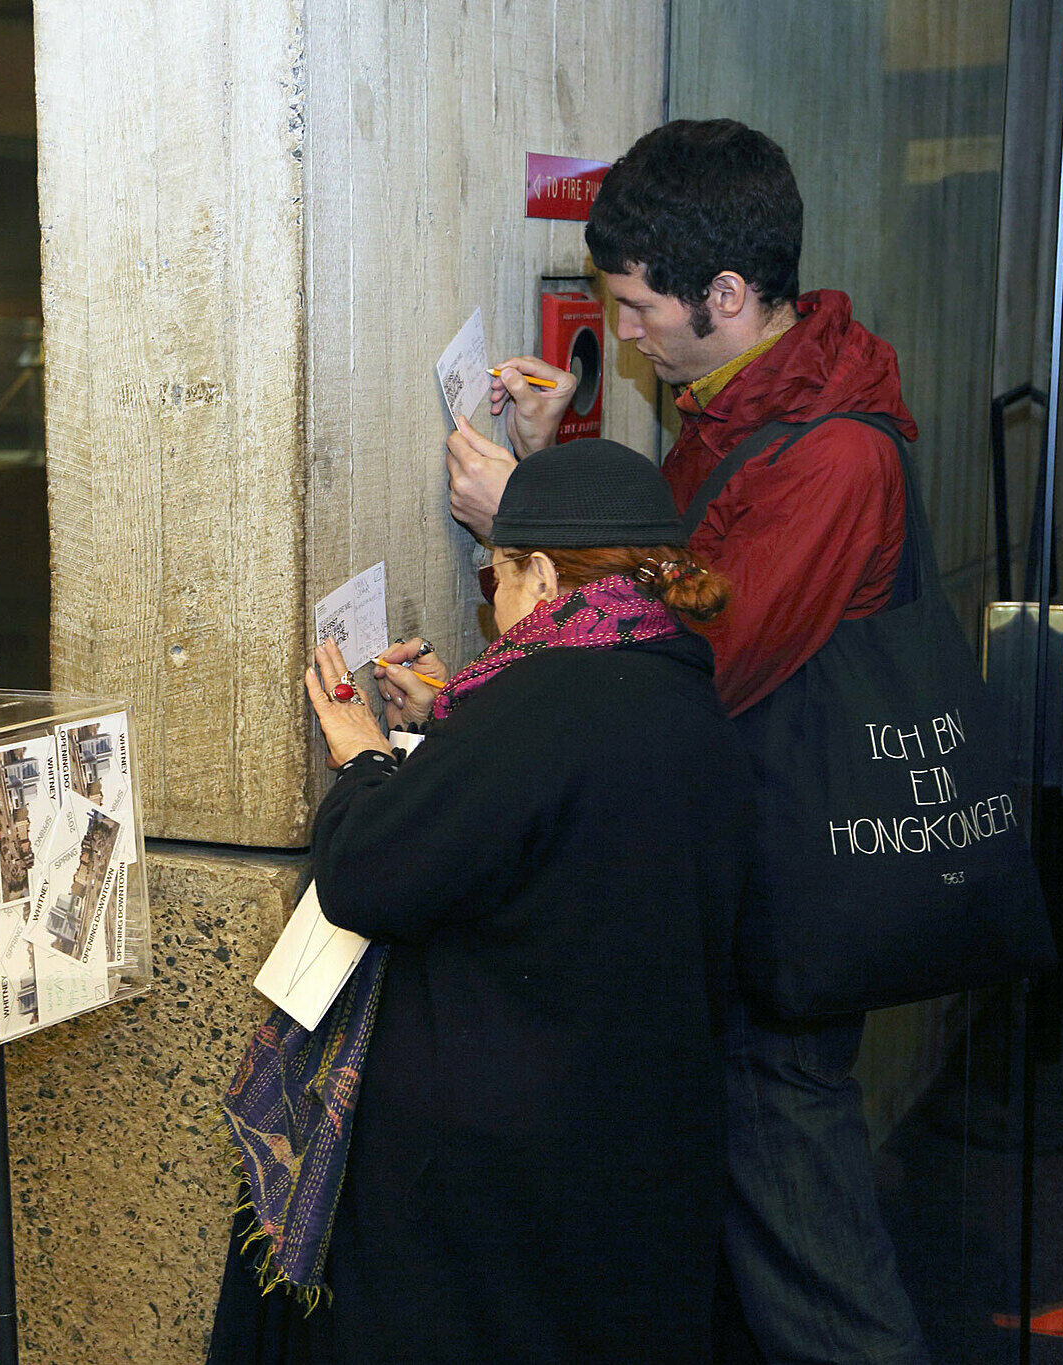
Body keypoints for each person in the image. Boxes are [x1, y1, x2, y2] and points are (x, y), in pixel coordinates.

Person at [447, 119, 931, 1364]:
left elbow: (697, 654)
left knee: (812, 1265)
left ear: (723, 294)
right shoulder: (743, 399)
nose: (623, 333)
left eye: (633, 306)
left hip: (781, 910)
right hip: (717, 883)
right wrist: (563, 458)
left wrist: (533, 517)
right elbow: (687, 558)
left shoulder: (834, 457)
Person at [210, 440, 754, 1364]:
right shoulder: (679, 679)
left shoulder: (543, 700)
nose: (493, 606)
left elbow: (371, 875)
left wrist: (362, 755)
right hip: (639, 1135)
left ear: (539, 573)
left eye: (495, 576)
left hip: (503, 1162)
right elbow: (543, 821)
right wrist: (452, 721)